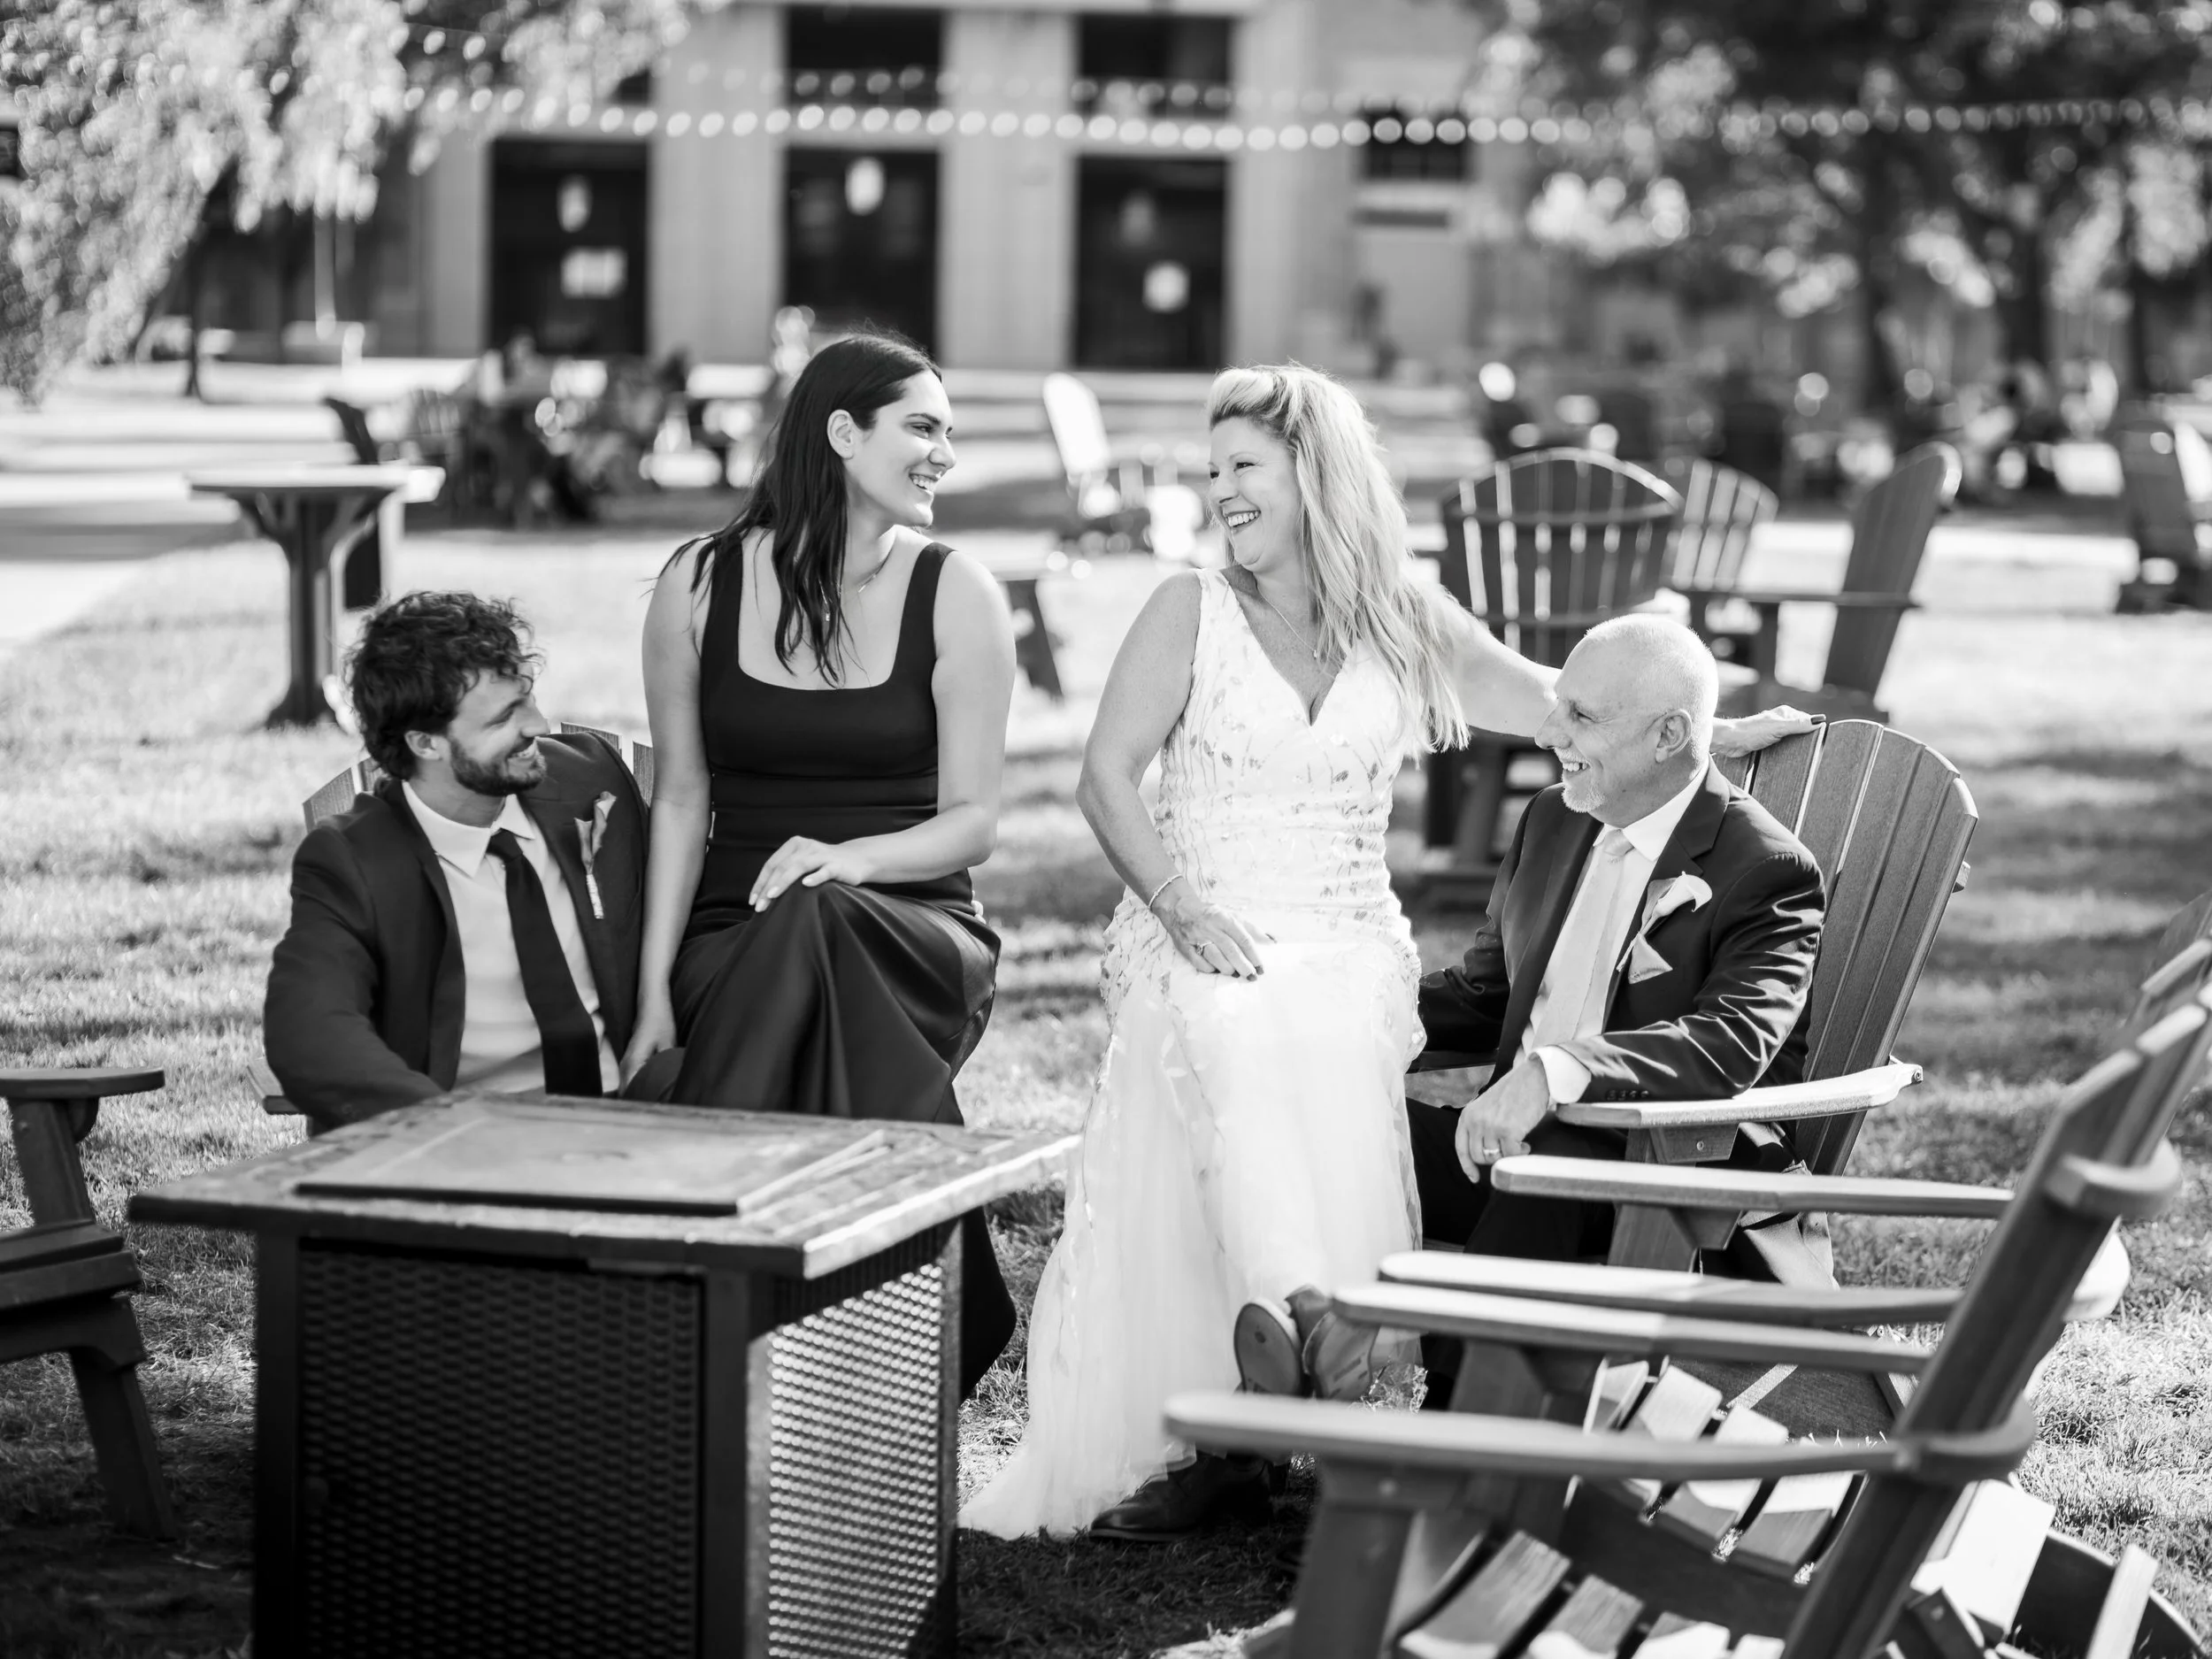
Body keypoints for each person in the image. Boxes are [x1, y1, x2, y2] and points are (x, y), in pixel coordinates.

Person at [959, 365, 1809, 1542]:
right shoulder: (1187, 608)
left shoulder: (1403, 617)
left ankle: (1288, 1369)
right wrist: (1179, 900)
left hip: (1350, 937)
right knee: (1231, 1022)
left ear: (1316, 472)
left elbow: (1563, 700)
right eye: (1215, 471)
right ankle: (1306, 1327)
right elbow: (1105, 778)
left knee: (1323, 1023)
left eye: (1243, 467)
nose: (1222, 494)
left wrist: (1719, 724)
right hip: (1200, 922)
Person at [626, 331, 1019, 1397]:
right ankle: (913, 1317)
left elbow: (973, 823)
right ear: (843, 434)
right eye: (923, 428)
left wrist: (848, 858)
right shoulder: (697, 584)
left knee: (819, 912)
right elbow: (680, 798)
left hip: (917, 929)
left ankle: (690, 1269)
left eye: (950, 432)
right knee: (799, 925)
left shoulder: (958, 595)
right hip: (733, 942)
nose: (945, 453)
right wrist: (658, 992)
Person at [1408, 617, 1826, 1406]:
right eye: (1558, 704)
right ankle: (1280, 1385)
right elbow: (1486, 995)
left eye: (1581, 717)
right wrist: (1342, 1020)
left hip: (1667, 1180)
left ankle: (1453, 1430)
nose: (1548, 730)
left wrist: (1555, 1072)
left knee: (1555, 1158)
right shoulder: (1554, 819)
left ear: (1670, 735)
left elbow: (1728, 1044)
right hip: (1507, 1156)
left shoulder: (1765, 869)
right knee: (1343, 1127)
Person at [265, 593, 652, 1126]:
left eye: (529, 698)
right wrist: (447, 1126)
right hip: (457, 1133)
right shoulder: (353, 860)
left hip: (633, 1114)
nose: (539, 725)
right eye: (502, 720)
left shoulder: (594, 782)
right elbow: (312, 1032)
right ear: (425, 743)